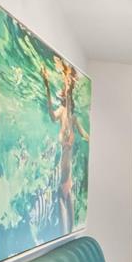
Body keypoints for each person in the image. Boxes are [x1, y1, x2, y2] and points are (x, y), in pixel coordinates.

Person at [41, 56, 89, 234]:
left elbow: (85, 135)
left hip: (69, 176)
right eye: (66, 91)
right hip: (63, 174)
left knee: (69, 225)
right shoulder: (62, 113)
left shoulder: (73, 119)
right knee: (64, 222)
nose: (66, 93)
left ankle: (66, 238)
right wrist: (47, 84)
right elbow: (51, 113)